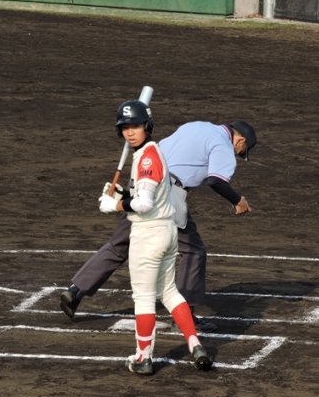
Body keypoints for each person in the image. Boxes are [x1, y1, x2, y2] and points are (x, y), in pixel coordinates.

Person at [61, 113, 257, 332]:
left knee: (120, 245)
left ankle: (75, 291)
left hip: (144, 181)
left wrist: (130, 192)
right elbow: (216, 180)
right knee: (193, 250)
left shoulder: (196, 126)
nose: (237, 154)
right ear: (240, 140)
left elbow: (153, 152)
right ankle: (185, 317)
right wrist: (237, 200)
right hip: (167, 195)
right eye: (241, 151)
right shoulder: (223, 144)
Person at [97, 100, 212, 375]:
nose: (129, 132)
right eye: (125, 127)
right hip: (167, 232)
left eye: (135, 126)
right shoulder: (150, 152)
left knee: (144, 298)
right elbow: (147, 194)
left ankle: (143, 358)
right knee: (169, 292)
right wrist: (124, 194)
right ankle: (195, 344)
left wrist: (115, 205)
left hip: (148, 235)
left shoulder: (147, 158)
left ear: (147, 126)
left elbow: (145, 204)